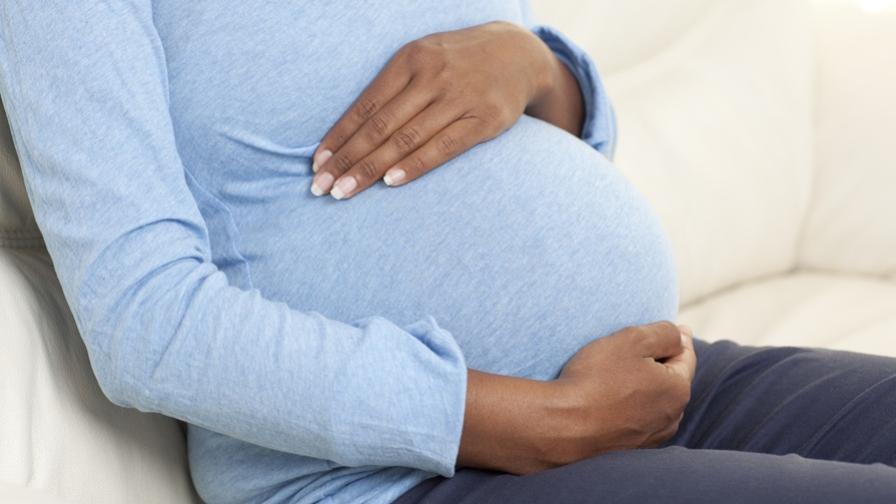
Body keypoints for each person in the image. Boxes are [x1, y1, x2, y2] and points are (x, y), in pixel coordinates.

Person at [1, 2, 894, 503]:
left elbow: (529, 156)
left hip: (651, 381)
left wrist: (537, 67)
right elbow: (145, 322)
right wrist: (537, 422)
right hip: (408, 476)